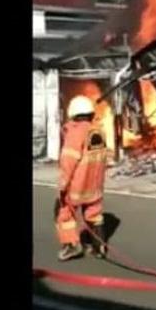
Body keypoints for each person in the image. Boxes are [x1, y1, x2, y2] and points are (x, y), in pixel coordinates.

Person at [55, 95, 108, 261]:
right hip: (96, 185)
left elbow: (68, 160)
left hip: (77, 186)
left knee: (64, 213)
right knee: (94, 214)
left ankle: (72, 246)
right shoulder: (98, 130)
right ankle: (99, 247)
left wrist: (63, 185)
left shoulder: (75, 132)